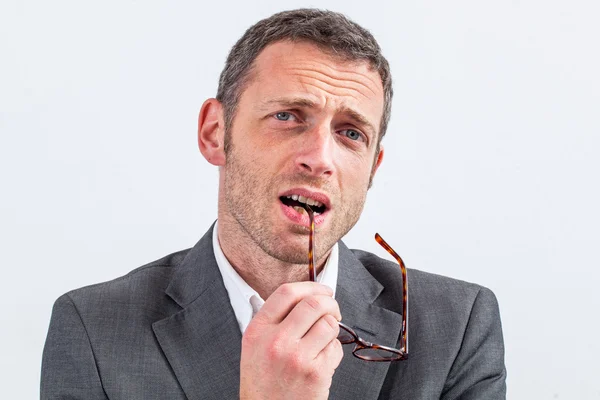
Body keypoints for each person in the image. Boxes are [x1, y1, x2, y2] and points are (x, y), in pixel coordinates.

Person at [41, 8, 506, 400]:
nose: (320, 159)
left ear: (372, 168)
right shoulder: (93, 330)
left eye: (350, 134)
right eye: (287, 116)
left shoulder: (457, 326)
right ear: (214, 133)